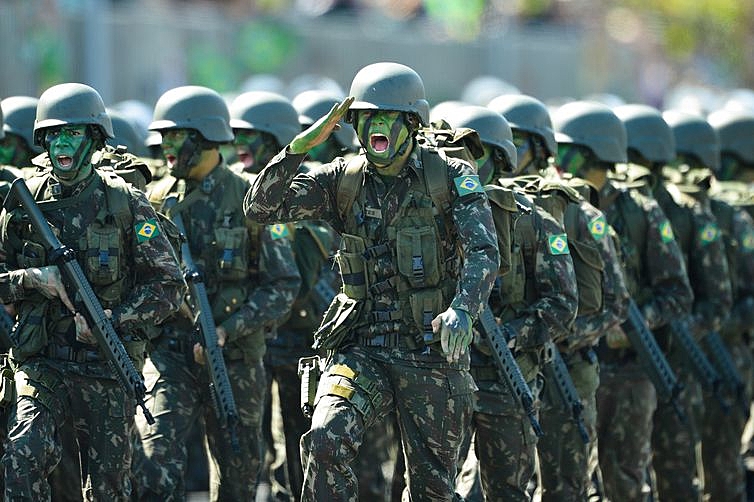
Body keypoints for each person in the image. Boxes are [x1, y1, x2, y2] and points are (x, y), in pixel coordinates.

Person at [244, 61, 500, 501]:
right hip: (362, 346)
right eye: (365, 117)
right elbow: (260, 209)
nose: (375, 126)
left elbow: (484, 251)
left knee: (433, 488)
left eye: (387, 117)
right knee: (324, 440)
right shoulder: (340, 179)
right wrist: (301, 147)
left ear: (411, 123)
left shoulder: (450, 177)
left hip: (429, 352)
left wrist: (463, 309)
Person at [0, 82, 186, 500]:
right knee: (21, 455)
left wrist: (114, 320)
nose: (61, 143)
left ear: (95, 140)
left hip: (105, 365)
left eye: (73, 133)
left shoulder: (124, 203)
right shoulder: (23, 201)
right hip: (42, 360)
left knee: (107, 488)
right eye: (53, 134)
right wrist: (32, 279)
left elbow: (168, 285)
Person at [133, 85, 300, 502]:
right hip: (170, 355)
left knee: (238, 476)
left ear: (205, 138)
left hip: (236, 360)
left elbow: (283, 285)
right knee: (154, 467)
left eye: (176, 136)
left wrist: (228, 329)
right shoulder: (154, 201)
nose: (166, 146)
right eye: (164, 136)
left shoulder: (251, 199)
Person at [489, 93, 631, 501]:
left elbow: (615, 302)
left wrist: (562, 335)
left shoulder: (576, 212)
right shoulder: (482, 206)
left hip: (563, 369)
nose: (508, 150)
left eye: (518, 141)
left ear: (540, 149)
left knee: (565, 488)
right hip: (500, 369)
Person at [552, 101, 693, 502]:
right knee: (570, 484)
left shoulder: (642, 213)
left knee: (624, 482)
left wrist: (633, 326)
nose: (557, 165)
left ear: (596, 154)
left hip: (626, 372)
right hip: (571, 365)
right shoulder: (556, 205)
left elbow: (677, 294)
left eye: (568, 155)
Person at [444, 104, 579, 502]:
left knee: (506, 490)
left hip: (504, 378)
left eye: (476, 154)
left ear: (500, 160)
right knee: (429, 490)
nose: (463, 164)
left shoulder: (531, 220)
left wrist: (513, 334)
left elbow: (563, 303)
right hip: (441, 378)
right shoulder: (428, 213)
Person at [616, 105, 733, 502]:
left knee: (676, 476)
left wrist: (663, 327)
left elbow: (717, 302)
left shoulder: (687, 216)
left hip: (675, 366)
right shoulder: (614, 212)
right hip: (625, 370)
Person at [669, 108, 754, 502]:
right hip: (680, 357)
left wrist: (714, 323)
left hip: (726, 354)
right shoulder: (666, 212)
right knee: (676, 465)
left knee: (722, 465)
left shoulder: (730, 217)